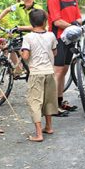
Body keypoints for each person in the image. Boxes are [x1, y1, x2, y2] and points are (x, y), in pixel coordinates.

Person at [47, 0, 82, 116]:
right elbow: (57, 21)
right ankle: (52, 106)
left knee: (65, 70)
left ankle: (60, 101)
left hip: (70, 39)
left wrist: (76, 25)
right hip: (58, 38)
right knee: (58, 71)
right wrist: (73, 26)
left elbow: (79, 17)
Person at [21, 9, 58, 142]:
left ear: (31, 22)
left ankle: (38, 134)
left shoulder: (27, 37)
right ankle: (49, 127)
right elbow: (54, 53)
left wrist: (20, 53)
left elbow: (25, 56)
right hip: (49, 71)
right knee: (48, 100)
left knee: (35, 101)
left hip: (36, 73)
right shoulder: (51, 36)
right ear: (45, 21)